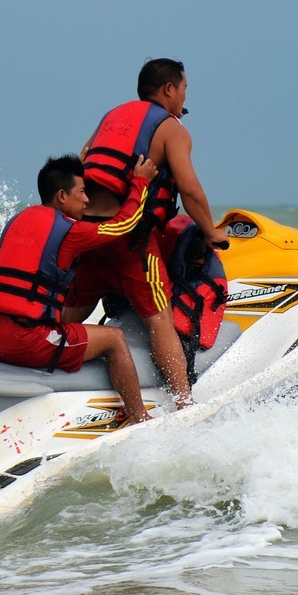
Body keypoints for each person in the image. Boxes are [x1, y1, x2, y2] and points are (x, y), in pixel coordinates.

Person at [64, 58, 228, 409]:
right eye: (184, 88)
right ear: (169, 89)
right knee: (160, 318)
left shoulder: (112, 117)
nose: (184, 97)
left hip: (88, 235)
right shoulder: (171, 129)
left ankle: (30, 370)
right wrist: (211, 231)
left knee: (69, 315)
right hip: (129, 240)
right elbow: (190, 189)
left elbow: (82, 161)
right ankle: (184, 402)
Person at [0, 153, 159, 423]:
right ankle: (140, 418)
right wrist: (141, 182)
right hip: (26, 341)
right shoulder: (70, 232)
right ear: (61, 195)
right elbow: (123, 226)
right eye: (82, 192)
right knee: (114, 339)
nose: (87, 199)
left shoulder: (16, 222)